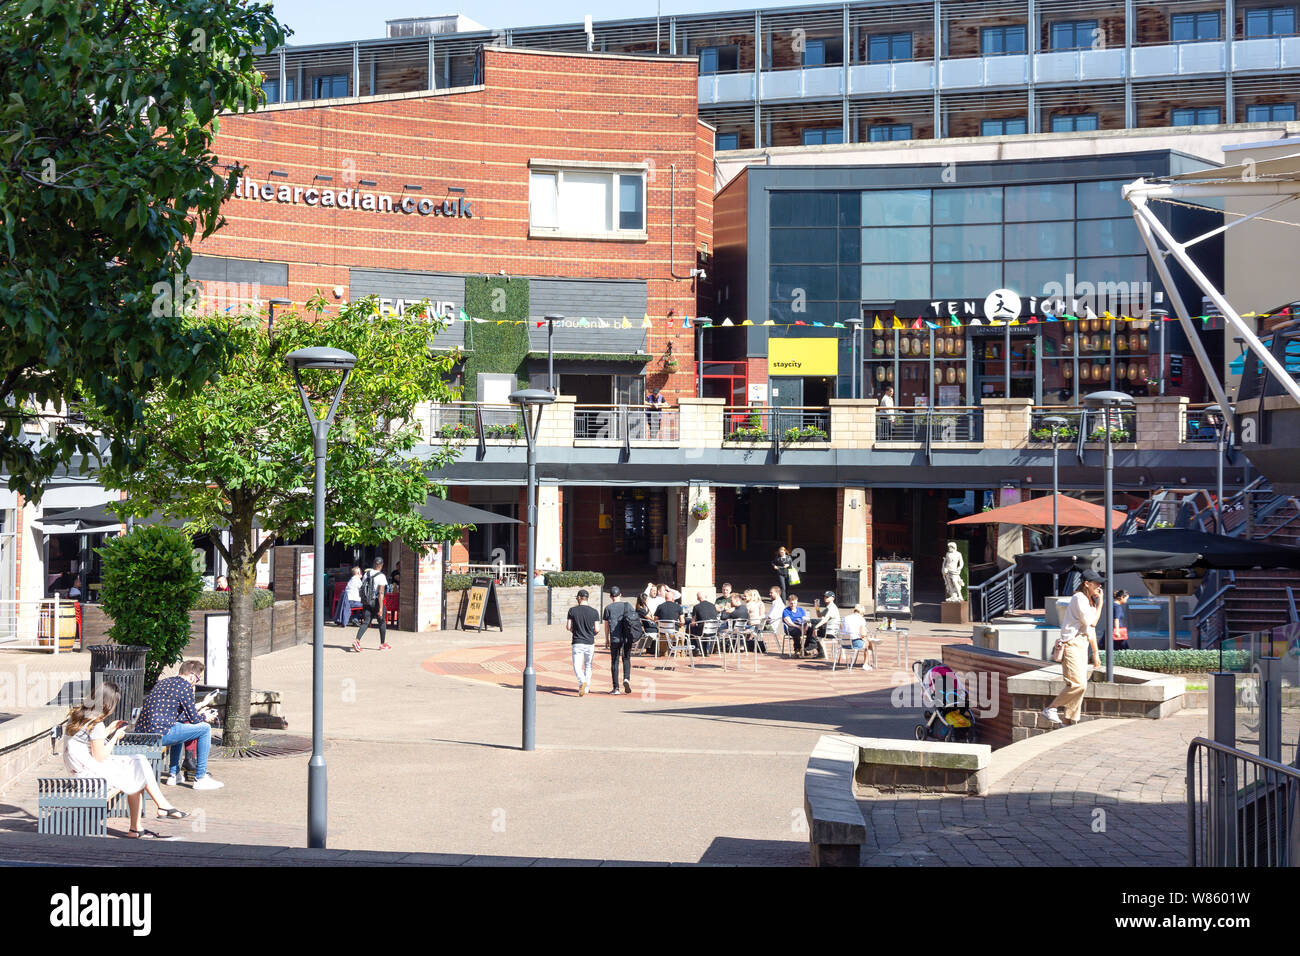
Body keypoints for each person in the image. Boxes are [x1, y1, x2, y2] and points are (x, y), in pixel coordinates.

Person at [63, 683, 191, 838]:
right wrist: (115, 737)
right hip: (90, 778)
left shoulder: (78, 716)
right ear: (107, 704)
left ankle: (139, 826)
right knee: (137, 767)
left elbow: (88, 745)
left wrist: (108, 731)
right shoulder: (96, 724)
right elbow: (100, 756)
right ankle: (158, 809)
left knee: (138, 763)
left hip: (79, 772)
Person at [135, 660, 224, 790]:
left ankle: (173, 774)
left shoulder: (163, 683)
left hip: (144, 733)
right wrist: (205, 717)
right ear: (192, 676)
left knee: (179, 724)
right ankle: (200, 778)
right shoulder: (185, 686)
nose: (195, 683)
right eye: (197, 679)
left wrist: (202, 705)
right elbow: (194, 719)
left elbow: (180, 716)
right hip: (160, 734)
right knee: (205, 729)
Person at [1043, 570, 1103, 726]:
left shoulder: (1089, 601)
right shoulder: (1079, 598)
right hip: (1071, 644)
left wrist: (1095, 652)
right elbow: (1092, 622)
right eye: (1096, 583)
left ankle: (1069, 721)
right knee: (1078, 684)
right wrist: (1101, 603)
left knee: (1082, 686)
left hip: (1082, 644)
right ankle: (1051, 708)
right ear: (1086, 583)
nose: (1099, 586)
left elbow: (1091, 630)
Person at [602, 585, 638, 695]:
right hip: (627, 637)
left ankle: (616, 688)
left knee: (615, 661)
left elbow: (607, 625)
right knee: (626, 658)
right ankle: (626, 678)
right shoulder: (627, 605)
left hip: (615, 638)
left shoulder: (608, 608)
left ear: (610, 596)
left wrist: (607, 638)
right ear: (620, 595)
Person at [566, 589, 600, 697]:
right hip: (590, 642)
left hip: (577, 641)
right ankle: (587, 687)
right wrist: (591, 634)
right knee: (588, 665)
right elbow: (597, 629)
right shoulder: (594, 611)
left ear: (579, 598)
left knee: (577, 665)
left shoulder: (572, 610)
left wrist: (574, 631)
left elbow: (568, 626)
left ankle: (582, 681)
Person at [352, 557, 389, 652]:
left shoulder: (366, 574)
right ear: (381, 565)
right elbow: (381, 593)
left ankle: (357, 640)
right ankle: (382, 644)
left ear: (373, 564)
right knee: (382, 621)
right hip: (376, 602)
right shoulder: (381, 576)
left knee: (366, 621)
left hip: (366, 601)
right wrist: (380, 608)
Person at [808, 590, 840, 658]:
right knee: (812, 623)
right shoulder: (828, 607)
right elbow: (819, 615)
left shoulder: (832, 608)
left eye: (827, 597)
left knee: (812, 627)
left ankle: (819, 651)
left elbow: (825, 619)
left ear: (832, 598)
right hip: (829, 629)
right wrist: (817, 607)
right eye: (825, 596)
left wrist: (816, 627)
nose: (825, 598)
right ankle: (812, 648)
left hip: (830, 631)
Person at [840, 604, 872, 670]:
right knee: (869, 644)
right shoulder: (861, 619)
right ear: (862, 612)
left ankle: (850, 661)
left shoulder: (845, 618)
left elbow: (841, 629)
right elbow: (862, 633)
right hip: (854, 642)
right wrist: (866, 638)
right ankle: (865, 664)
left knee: (864, 641)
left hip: (844, 643)